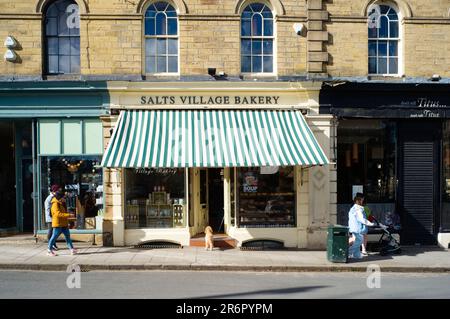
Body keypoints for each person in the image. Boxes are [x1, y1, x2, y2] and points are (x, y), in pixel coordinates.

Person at [47, 191, 77, 256]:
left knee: (67, 236)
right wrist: (68, 215)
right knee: (54, 237)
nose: (64, 198)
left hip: (63, 223)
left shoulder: (60, 203)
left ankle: (71, 249)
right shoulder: (55, 204)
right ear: (60, 198)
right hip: (58, 223)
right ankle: (49, 250)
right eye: (63, 197)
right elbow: (58, 214)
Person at [348, 193, 376, 259]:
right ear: (359, 200)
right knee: (358, 240)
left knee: (356, 239)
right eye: (362, 199)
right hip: (359, 227)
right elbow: (362, 219)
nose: (362, 201)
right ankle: (348, 252)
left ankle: (356, 255)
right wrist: (371, 224)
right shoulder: (359, 208)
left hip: (354, 227)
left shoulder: (353, 208)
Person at [44, 184, 61, 251]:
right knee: (51, 232)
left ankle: (53, 244)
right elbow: (49, 209)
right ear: (55, 191)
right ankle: (50, 245)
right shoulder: (50, 198)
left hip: (52, 217)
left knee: (54, 232)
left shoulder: (53, 197)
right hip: (50, 218)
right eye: (58, 190)